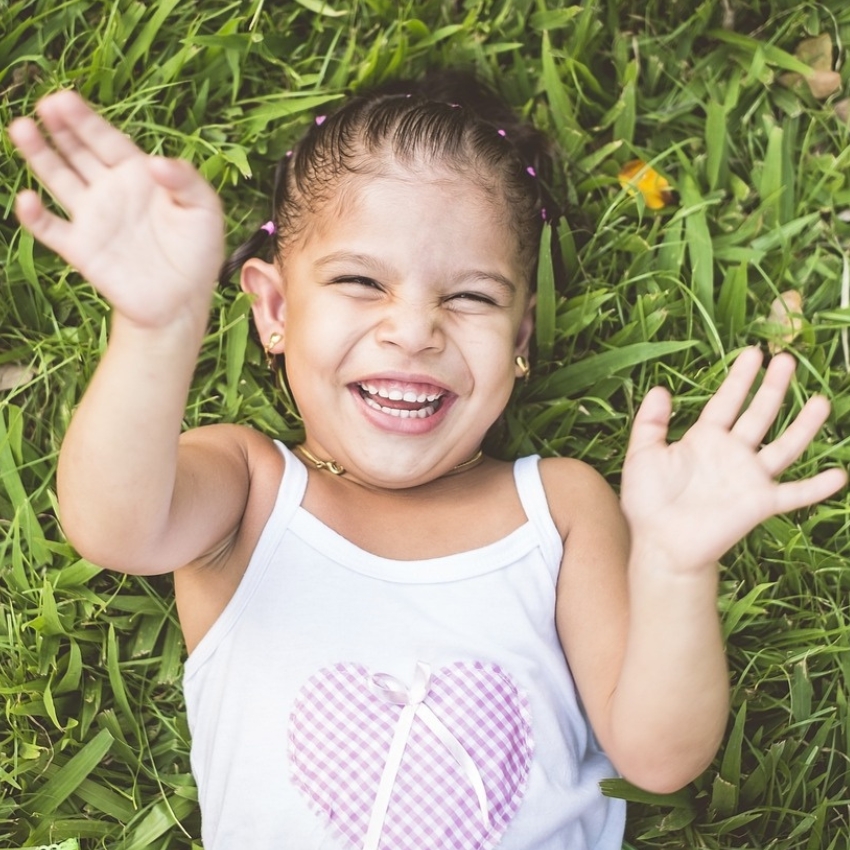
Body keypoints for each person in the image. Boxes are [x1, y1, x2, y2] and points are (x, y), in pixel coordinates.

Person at [8, 72, 846, 850]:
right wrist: (157, 331)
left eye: (471, 296)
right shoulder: (250, 488)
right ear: (272, 309)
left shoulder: (557, 506)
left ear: (518, 343)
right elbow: (113, 526)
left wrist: (673, 568)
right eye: (361, 283)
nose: (414, 329)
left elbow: (658, 759)